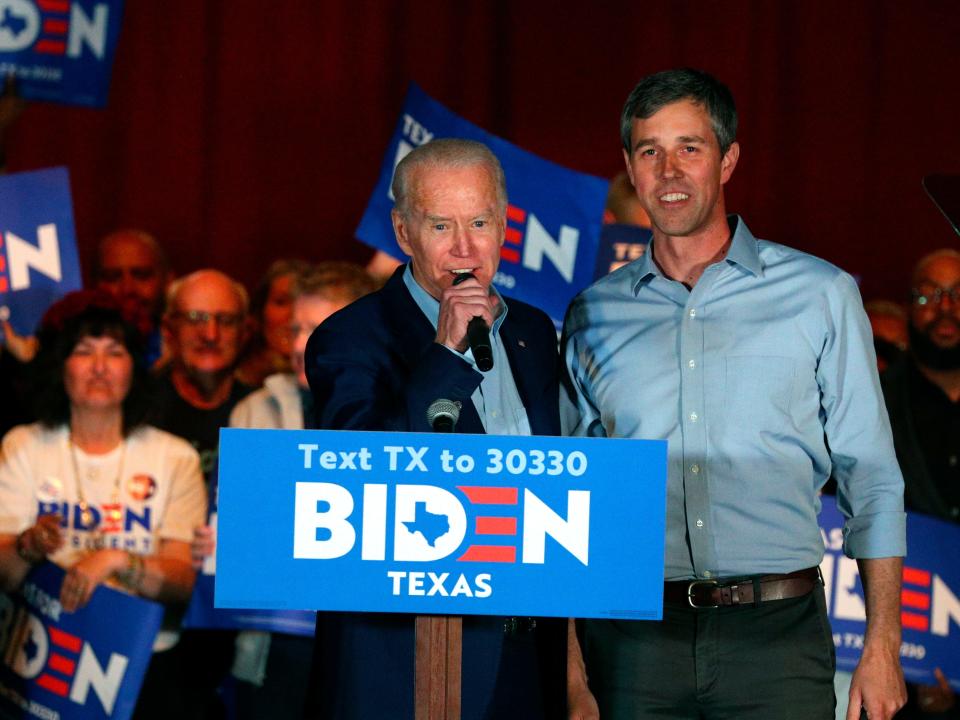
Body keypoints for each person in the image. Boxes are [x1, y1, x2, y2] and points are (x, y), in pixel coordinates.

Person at [560, 68, 906, 720]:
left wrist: (884, 640)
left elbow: (874, 479)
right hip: (634, 643)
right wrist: (576, 676)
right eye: (648, 151)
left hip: (776, 640)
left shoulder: (821, 294)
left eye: (689, 147)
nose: (669, 171)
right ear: (630, 170)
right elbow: (577, 503)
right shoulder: (592, 315)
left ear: (729, 160)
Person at [303, 138, 567, 719]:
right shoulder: (349, 339)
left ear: (503, 226)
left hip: (526, 655)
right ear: (402, 233)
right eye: (440, 226)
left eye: (479, 222)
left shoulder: (534, 333)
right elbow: (363, 478)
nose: (465, 249)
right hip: (405, 662)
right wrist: (446, 354)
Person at [0, 290, 206, 719]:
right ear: (60, 366)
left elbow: (183, 581)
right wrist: (28, 545)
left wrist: (115, 560)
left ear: (135, 367)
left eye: (115, 352)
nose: (99, 367)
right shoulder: (23, 446)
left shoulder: (174, 456)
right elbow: (4, 574)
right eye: (82, 352)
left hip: (147, 661)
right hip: (43, 654)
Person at [191, 261, 376, 719]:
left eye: (313, 329)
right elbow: (235, 527)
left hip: (367, 652)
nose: (296, 345)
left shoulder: (402, 415)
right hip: (274, 654)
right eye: (294, 328)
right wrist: (217, 547)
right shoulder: (255, 411)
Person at [153, 269, 253, 718]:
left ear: (245, 331)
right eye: (195, 318)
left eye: (225, 321)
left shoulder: (265, 414)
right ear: (168, 329)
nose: (210, 333)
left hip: (241, 630)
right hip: (153, 630)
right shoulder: (136, 410)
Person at [882, 249, 960, 718]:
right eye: (929, 294)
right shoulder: (876, 403)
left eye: (957, 294)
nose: (944, 308)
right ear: (910, 307)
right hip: (906, 647)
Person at [95, 229, 174, 367]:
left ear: (168, 282)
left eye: (141, 276)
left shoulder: (187, 354)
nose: (128, 289)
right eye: (113, 277)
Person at [235, 258, 312, 388]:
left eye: (303, 303)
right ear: (260, 311)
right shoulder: (230, 383)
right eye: (281, 302)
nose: (293, 315)